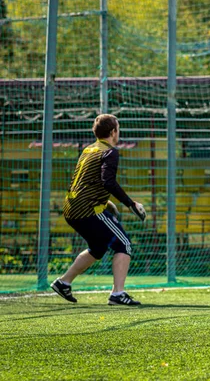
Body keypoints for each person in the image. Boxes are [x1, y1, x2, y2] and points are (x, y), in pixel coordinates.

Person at [51, 114, 147, 305]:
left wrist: (106, 204)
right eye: (118, 129)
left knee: (98, 248)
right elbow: (107, 182)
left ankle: (63, 282)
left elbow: (88, 181)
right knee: (124, 244)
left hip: (71, 207)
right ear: (113, 132)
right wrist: (131, 203)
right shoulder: (110, 152)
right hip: (87, 209)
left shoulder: (89, 149)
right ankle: (118, 294)